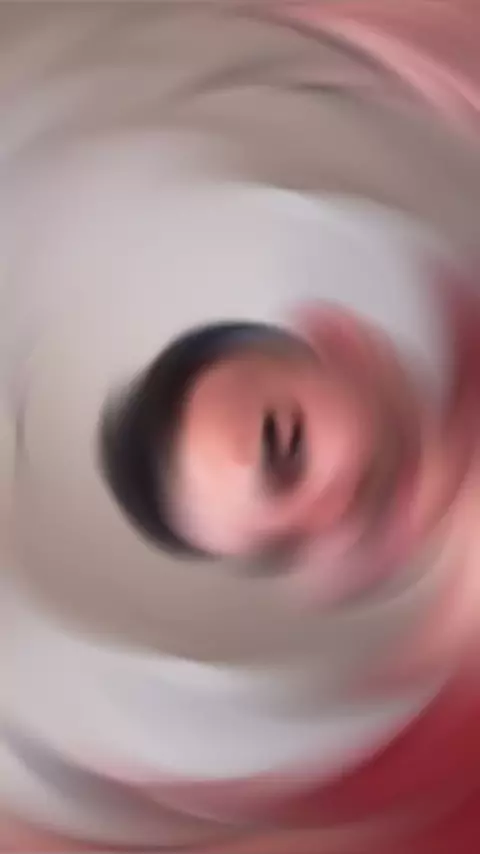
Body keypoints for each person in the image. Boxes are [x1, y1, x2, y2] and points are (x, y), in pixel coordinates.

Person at [0, 2, 480, 851]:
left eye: (285, 446)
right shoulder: (415, 769)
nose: (332, 512)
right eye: (285, 546)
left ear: (341, 337)